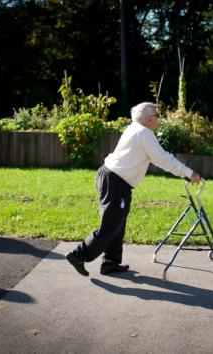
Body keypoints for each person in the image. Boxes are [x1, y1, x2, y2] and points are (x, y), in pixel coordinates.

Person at [66, 102, 202, 276]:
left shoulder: (135, 128)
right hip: (115, 182)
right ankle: (78, 255)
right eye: (157, 115)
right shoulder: (144, 133)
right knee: (109, 226)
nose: (159, 118)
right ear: (149, 120)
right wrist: (189, 174)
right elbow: (164, 160)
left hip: (113, 179)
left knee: (118, 223)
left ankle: (110, 263)